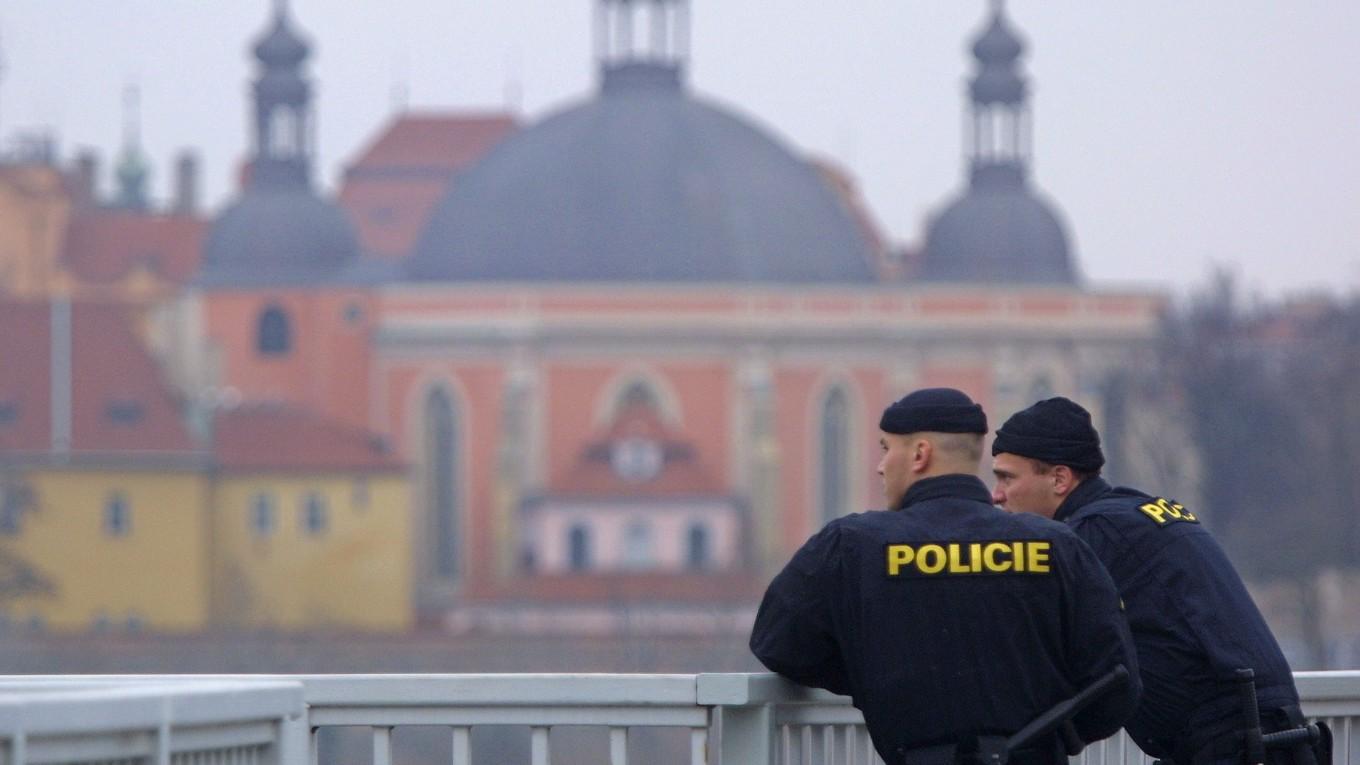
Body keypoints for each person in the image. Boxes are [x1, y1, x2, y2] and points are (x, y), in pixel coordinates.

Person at [750, 388, 1139, 765]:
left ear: (920, 454)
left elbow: (776, 644)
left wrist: (871, 674)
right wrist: (1053, 733)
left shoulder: (852, 547)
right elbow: (1116, 682)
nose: (880, 465)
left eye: (887, 449)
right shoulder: (1057, 545)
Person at [991, 397, 1318, 765]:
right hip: (1268, 734)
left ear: (1059, 478)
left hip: (1230, 742)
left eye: (1007, 477)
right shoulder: (1136, 513)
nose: (996, 494)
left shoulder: (1090, 534)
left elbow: (1037, 644)